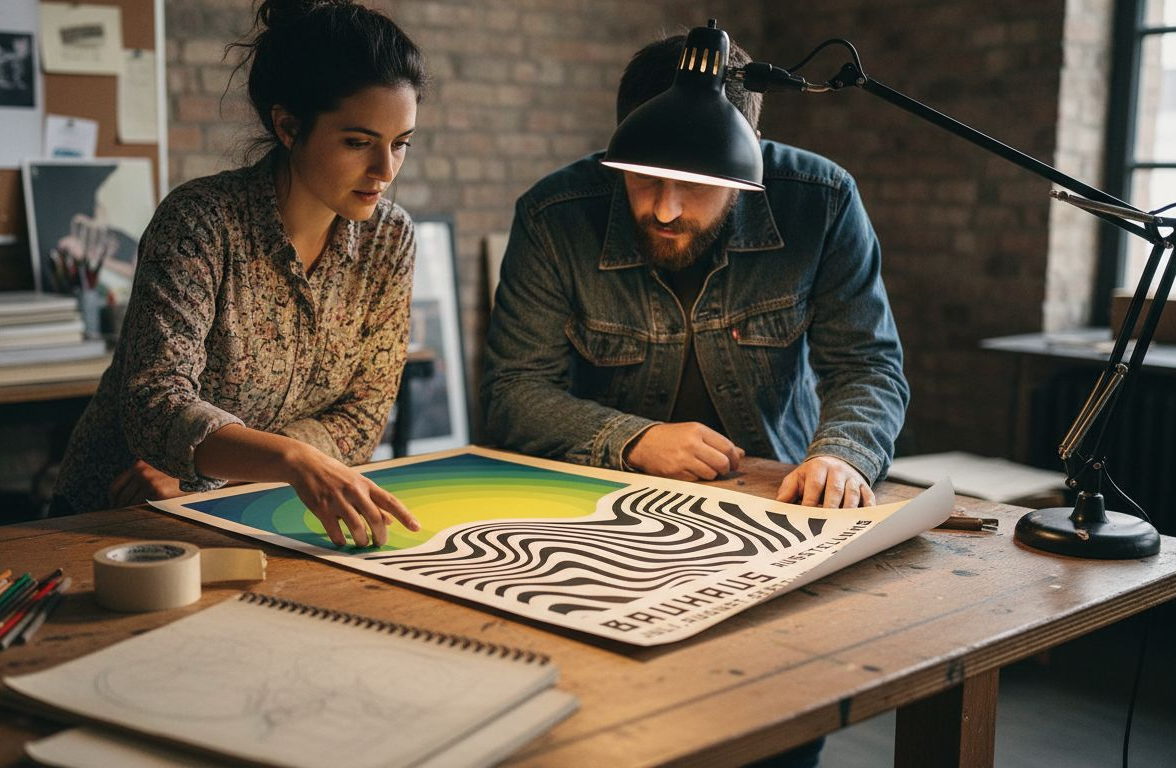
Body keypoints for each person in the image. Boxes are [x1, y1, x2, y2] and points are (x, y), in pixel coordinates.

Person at [483, 33, 908, 513]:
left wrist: (842, 455)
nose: (666, 210)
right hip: (605, 495)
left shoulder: (822, 201)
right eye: (645, 177)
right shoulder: (553, 215)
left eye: (695, 184)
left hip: (779, 490)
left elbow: (865, 366)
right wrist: (634, 440)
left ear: (749, 153)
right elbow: (512, 391)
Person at [53, 0, 425, 549]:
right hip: (117, 515)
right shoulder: (201, 222)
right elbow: (156, 402)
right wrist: (291, 460)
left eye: (400, 144)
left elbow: (363, 416)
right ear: (288, 126)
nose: (385, 170)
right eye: (358, 142)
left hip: (250, 512)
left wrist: (219, 475)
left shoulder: (389, 240)